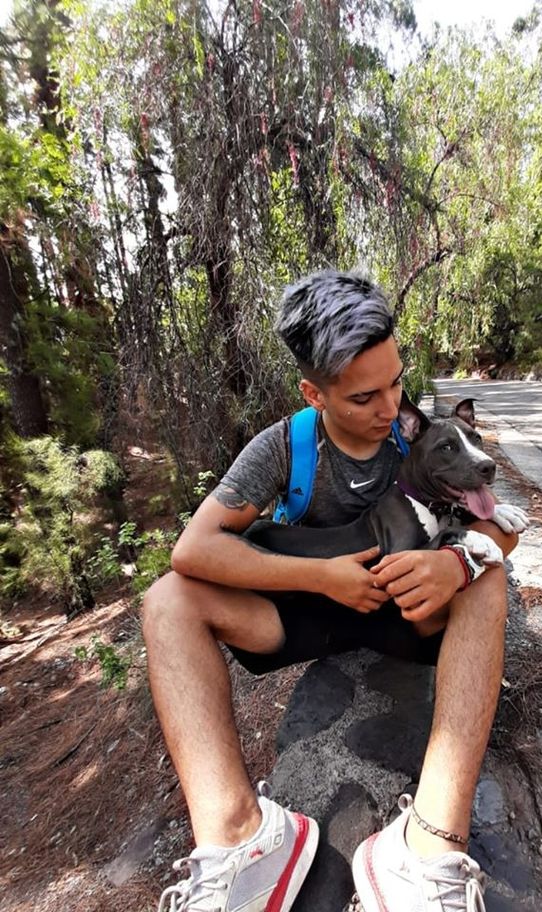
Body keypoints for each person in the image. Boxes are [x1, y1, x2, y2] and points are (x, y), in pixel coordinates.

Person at [142, 269, 520, 912]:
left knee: (488, 581)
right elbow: (193, 550)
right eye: (364, 397)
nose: (388, 409)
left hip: (407, 616)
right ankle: (244, 838)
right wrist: (320, 576)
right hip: (309, 615)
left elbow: (501, 526)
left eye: (397, 383)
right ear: (314, 393)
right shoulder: (283, 447)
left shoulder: (422, 434)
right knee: (166, 598)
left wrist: (458, 565)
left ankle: (428, 852)